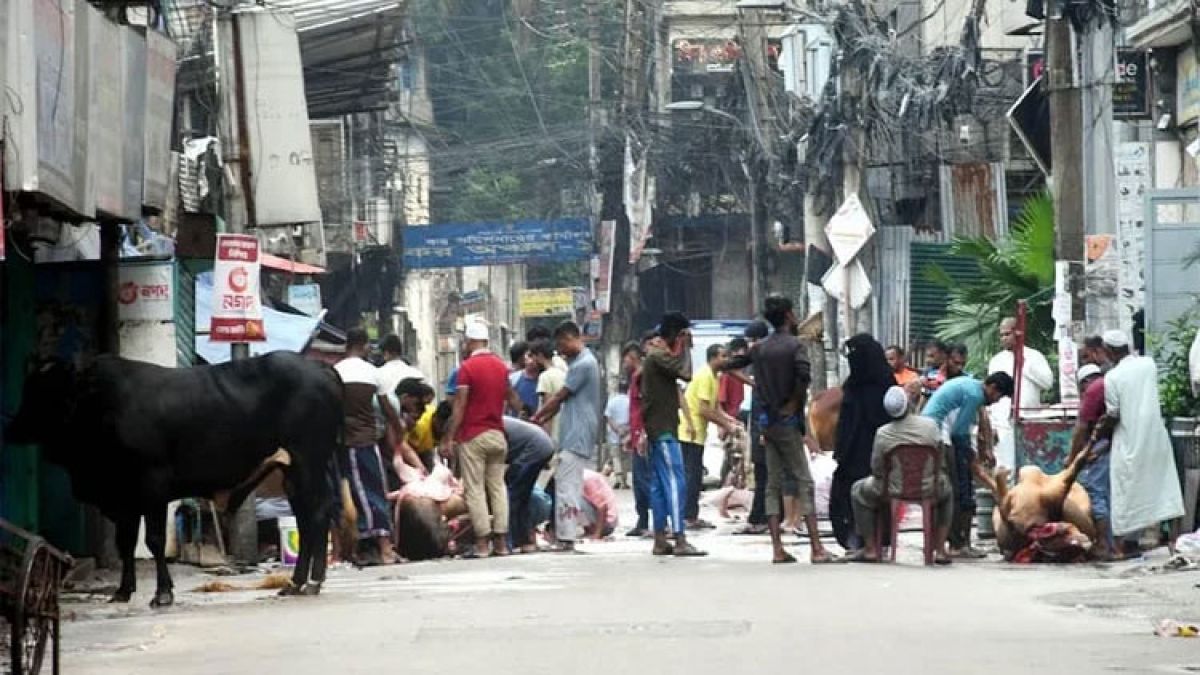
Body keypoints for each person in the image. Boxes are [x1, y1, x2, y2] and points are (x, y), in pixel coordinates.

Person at [726, 295, 833, 564]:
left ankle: (777, 548)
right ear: (788, 315)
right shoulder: (794, 346)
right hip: (787, 422)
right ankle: (817, 548)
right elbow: (803, 376)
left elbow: (735, 364)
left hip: (766, 423)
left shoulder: (761, 348)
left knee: (772, 483)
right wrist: (793, 403)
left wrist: (720, 364)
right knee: (803, 480)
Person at [1096, 330, 1184, 552]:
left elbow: (1113, 414)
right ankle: (1174, 539)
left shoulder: (1112, 378)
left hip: (1128, 439)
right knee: (1163, 486)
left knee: (1127, 492)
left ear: (1108, 351)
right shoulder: (1148, 365)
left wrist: (1099, 434)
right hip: (1154, 437)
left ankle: (1123, 544)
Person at [848, 386, 953, 564]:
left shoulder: (883, 433)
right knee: (948, 491)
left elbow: (877, 468)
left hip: (890, 490)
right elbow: (940, 459)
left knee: (857, 490)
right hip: (929, 488)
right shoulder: (931, 426)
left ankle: (870, 548)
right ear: (908, 404)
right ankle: (941, 549)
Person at [438, 320, 515, 558]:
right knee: (498, 488)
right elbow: (512, 398)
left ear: (470, 342)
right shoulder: (502, 367)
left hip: (474, 436)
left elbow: (459, 406)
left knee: (475, 490)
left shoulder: (467, 368)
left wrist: (448, 438)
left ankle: (482, 543)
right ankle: (501, 543)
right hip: (497, 434)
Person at [922, 371, 1013, 558]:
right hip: (938, 435)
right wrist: (972, 458)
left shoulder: (970, 386)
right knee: (957, 490)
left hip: (932, 432)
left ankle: (954, 542)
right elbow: (959, 433)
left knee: (956, 487)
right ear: (993, 387)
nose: (996, 401)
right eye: (999, 396)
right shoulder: (975, 394)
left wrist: (977, 454)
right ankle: (957, 544)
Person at [639, 312, 706, 557]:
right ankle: (679, 538)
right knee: (676, 483)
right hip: (664, 430)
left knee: (659, 486)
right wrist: (685, 346)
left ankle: (659, 538)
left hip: (657, 428)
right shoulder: (658, 356)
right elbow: (686, 373)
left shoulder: (654, 355)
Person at [533, 321, 601, 554]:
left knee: (566, 487)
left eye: (562, 344)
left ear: (572, 338)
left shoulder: (583, 364)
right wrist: (542, 418)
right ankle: (566, 534)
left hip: (576, 435)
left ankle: (566, 537)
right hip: (575, 433)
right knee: (568, 485)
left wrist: (538, 416)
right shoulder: (581, 362)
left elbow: (559, 396)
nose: (560, 351)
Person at [335, 328, 401, 565]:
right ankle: (382, 547)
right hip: (367, 440)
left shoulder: (337, 371)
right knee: (372, 492)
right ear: (363, 346)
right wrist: (399, 434)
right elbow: (388, 410)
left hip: (349, 441)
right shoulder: (373, 373)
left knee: (359, 494)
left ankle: (379, 547)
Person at [830, 334, 896, 551]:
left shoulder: (884, 383)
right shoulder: (856, 383)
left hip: (876, 451)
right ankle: (855, 536)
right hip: (854, 451)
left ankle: (875, 538)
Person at [678, 343, 740, 530]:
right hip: (690, 432)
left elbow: (715, 407)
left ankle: (690, 514)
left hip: (697, 433)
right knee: (692, 476)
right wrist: (726, 426)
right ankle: (688, 516)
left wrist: (730, 420)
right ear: (713, 358)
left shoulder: (715, 377)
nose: (726, 360)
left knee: (694, 475)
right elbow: (704, 409)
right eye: (723, 356)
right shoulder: (705, 375)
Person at [988, 317, 1053, 470]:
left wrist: (1025, 365)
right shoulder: (997, 361)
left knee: (1028, 467)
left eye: (1007, 334)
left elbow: (1047, 383)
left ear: (1018, 333)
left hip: (1028, 421)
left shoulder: (1034, 356)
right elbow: (990, 394)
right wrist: (990, 422)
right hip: (1002, 422)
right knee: (1005, 467)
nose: (1004, 338)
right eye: (1002, 335)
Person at [1067, 364, 1115, 559]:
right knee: (1108, 493)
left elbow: (1081, 427)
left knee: (1096, 492)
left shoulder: (1093, 390)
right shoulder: (1110, 385)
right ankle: (1111, 542)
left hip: (1100, 446)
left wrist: (1072, 458)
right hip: (1111, 444)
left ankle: (1103, 543)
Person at [736, 319, 773, 536]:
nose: (749, 345)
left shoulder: (766, 363)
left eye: (751, 340)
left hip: (765, 427)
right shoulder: (760, 364)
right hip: (760, 424)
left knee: (766, 476)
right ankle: (761, 517)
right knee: (762, 475)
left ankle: (761, 518)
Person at [502, 416, 556, 554]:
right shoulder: (497, 420)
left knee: (511, 494)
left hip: (534, 449)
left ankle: (509, 542)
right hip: (542, 446)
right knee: (522, 496)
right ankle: (524, 541)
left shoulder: (485, 425)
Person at [623, 339, 652, 536]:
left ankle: (656, 521)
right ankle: (642, 521)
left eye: (625, 359)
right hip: (635, 433)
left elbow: (646, 406)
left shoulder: (642, 377)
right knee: (639, 481)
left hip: (642, 435)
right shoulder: (635, 377)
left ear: (631, 358)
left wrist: (643, 432)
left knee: (645, 480)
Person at [531, 340, 566, 442]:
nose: (532, 360)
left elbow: (547, 406)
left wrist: (546, 437)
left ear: (540, 356)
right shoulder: (562, 373)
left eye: (533, 356)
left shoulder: (545, 376)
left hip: (551, 433)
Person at [604, 383, 631, 489]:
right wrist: (626, 430)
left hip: (614, 433)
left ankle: (618, 479)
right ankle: (623, 480)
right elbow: (633, 417)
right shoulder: (630, 402)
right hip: (627, 433)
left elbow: (608, 417)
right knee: (625, 458)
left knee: (616, 457)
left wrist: (617, 429)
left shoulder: (612, 402)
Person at [580, 469, 619, 539]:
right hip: (599, 519)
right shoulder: (581, 475)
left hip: (607, 525)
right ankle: (589, 530)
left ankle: (595, 531)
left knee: (576, 500)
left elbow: (602, 506)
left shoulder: (587, 478)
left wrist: (597, 535)